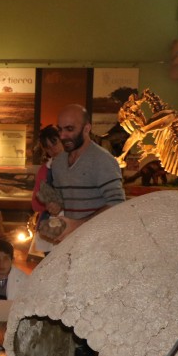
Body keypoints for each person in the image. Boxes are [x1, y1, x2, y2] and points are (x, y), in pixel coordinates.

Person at [46, 104, 125, 242]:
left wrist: (78, 225)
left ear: (86, 129)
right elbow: (62, 199)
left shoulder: (103, 160)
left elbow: (118, 203)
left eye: (70, 129)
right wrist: (56, 204)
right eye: (60, 129)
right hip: (72, 243)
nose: (63, 136)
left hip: (100, 242)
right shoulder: (58, 164)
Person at [30, 125, 63, 255]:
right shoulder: (44, 170)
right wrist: (48, 205)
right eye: (47, 147)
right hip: (51, 229)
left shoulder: (77, 165)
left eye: (54, 143)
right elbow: (35, 203)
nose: (52, 149)